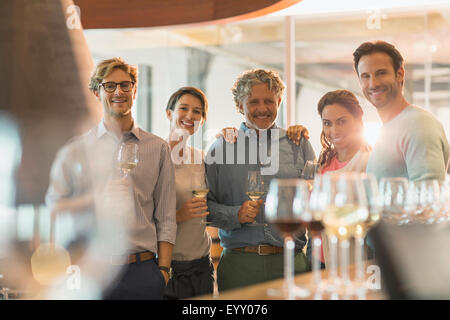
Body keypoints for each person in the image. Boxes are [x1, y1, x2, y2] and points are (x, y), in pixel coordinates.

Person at [46, 57, 176, 300]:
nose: (119, 91)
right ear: (97, 92)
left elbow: (166, 217)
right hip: (91, 269)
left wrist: (163, 272)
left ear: (134, 90)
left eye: (125, 85)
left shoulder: (158, 148)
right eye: (109, 85)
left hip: (143, 272)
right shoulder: (76, 149)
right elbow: (53, 210)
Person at [205, 69, 316, 292]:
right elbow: (204, 207)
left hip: (292, 264)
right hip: (239, 267)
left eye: (269, 101)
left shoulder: (298, 144)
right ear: (239, 105)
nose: (263, 108)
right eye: (253, 102)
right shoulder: (221, 148)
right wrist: (234, 215)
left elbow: (317, 204)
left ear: (279, 101)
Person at [353, 40, 449, 181]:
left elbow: (428, 196)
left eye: (381, 73)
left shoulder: (419, 124)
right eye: (366, 76)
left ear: (400, 74)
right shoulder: (388, 128)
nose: (373, 83)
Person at [163, 87, 214, 299]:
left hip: (202, 267)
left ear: (202, 120)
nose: (190, 116)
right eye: (183, 108)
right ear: (169, 113)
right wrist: (178, 216)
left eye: (197, 112)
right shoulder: (156, 157)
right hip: (168, 269)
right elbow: (140, 218)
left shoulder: (203, 159)